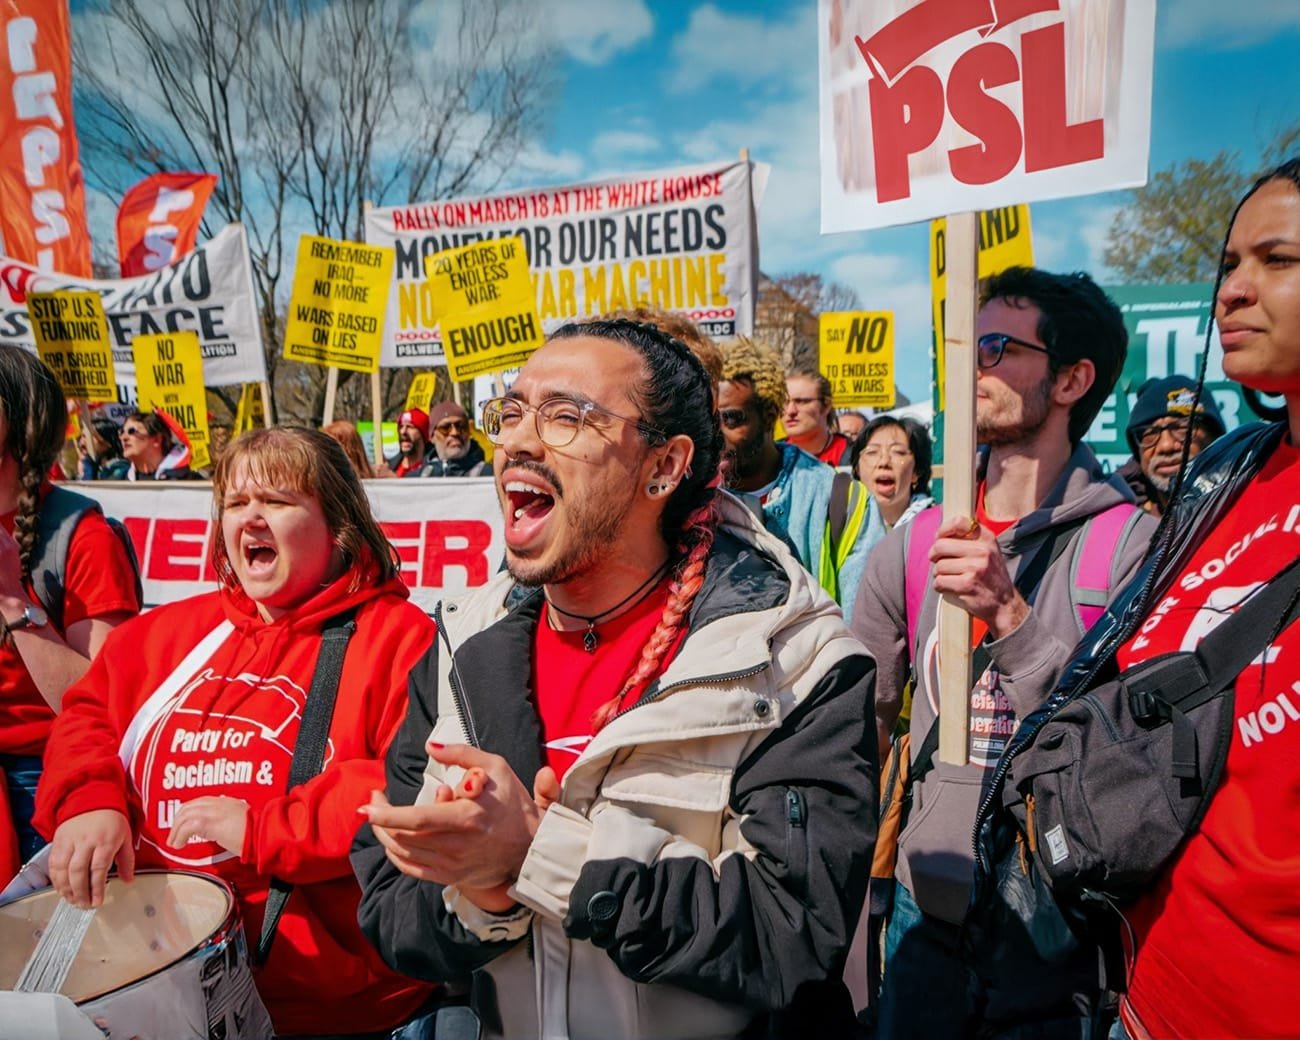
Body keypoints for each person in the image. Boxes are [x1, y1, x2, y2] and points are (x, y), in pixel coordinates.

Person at [352, 318, 877, 1040]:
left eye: (566, 417)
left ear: (664, 466)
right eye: (510, 414)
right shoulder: (459, 645)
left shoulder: (797, 659)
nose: (518, 442)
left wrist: (538, 852)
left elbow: (791, 931)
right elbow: (389, 910)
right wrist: (483, 895)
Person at [978, 158, 1300, 1040]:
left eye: (1277, 261)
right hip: (1141, 993)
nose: (1233, 291)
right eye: (1229, 264)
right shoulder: (1229, 476)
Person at [34, 426, 438, 1037]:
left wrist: (263, 828)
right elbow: (85, 719)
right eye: (235, 502)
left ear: (338, 523)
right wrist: (87, 802)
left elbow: (407, 783)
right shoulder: (165, 635)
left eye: (276, 502)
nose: (251, 518)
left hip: (340, 1010)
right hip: (162, 995)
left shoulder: (399, 637)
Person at [851, 266, 1158, 1038]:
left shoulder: (1134, 548)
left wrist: (1012, 618)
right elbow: (859, 733)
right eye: (965, 346)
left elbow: (1135, 750)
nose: (973, 367)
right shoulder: (911, 546)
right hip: (924, 913)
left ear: (1071, 379)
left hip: (1062, 927)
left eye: (996, 346)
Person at [0, 352, 141, 882]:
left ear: (20, 424)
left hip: (42, 781)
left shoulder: (82, 536)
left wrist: (13, 598)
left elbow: (108, 700)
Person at [717, 336, 883, 621]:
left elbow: (863, 625)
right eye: (709, 421)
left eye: (732, 419)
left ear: (769, 416)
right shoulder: (693, 498)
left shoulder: (842, 501)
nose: (716, 435)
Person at [1117, 374, 1225, 517]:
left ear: (1214, 438)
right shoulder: (1119, 525)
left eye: (1182, 429)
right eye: (1150, 433)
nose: (1166, 446)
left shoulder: (1246, 508)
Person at [849, 415, 933, 530]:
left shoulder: (936, 525)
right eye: (872, 452)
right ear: (857, 469)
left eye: (898, 452)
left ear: (917, 471)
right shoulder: (840, 525)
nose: (884, 462)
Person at [781, 369, 851, 465]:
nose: (790, 411)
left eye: (802, 401)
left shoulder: (855, 457)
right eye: (784, 402)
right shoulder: (767, 459)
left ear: (826, 406)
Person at [120, 409, 200, 480]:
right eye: (121, 432)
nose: (123, 437)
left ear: (157, 440)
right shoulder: (118, 484)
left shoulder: (189, 480)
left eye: (132, 431)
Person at [418, 401, 489, 477]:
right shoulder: (416, 478)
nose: (454, 433)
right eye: (445, 428)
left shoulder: (489, 474)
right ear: (432, 437)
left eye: (461, 426)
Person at [383, 408, 432, 478]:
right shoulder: (390, 466)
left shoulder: (432, 470)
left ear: (423, 434)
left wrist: (393, 478)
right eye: (401, 427)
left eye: (410, 427)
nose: (403, 432)